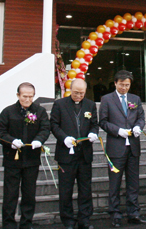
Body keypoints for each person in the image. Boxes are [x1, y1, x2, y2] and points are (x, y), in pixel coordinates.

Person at [0, 82, 50, 229]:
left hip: (31, 159)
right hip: (12, 159)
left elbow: (45, 128)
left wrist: (39, 140)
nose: (28, 100)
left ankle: (26, 223)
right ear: (18, 95)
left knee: (29, 194)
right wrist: (10, 141)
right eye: (24, 96)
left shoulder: (40, 111)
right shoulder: (8, 112)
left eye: (31, 97)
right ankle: (8, 224)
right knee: (10, 194)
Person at [99, 70, 146, 227]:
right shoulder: (107, 99)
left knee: (133, 183)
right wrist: (117, 131)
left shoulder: (135, 99)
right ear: (115, 83)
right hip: (116, 146)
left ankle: (133, 213)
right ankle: (115, 214)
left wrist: (138, 127)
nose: (124, 88)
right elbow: (103, 121)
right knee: (115, 183)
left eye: (127, 85)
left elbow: (141, 117)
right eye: (121, 85)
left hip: (133, 146)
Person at [50, 79, 99, 229]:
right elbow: (54, 125)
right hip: (66, 154)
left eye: (82, 93)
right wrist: (64, 138)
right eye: (76, 93)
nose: (78, 96)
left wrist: (93, 133)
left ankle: (84, 219)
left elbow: (94, 124)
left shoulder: (90, 105)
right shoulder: (59, 104)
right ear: (70, 89)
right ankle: (68, 220)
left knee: (85, 188)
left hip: (84, 154)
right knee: (66, 189)